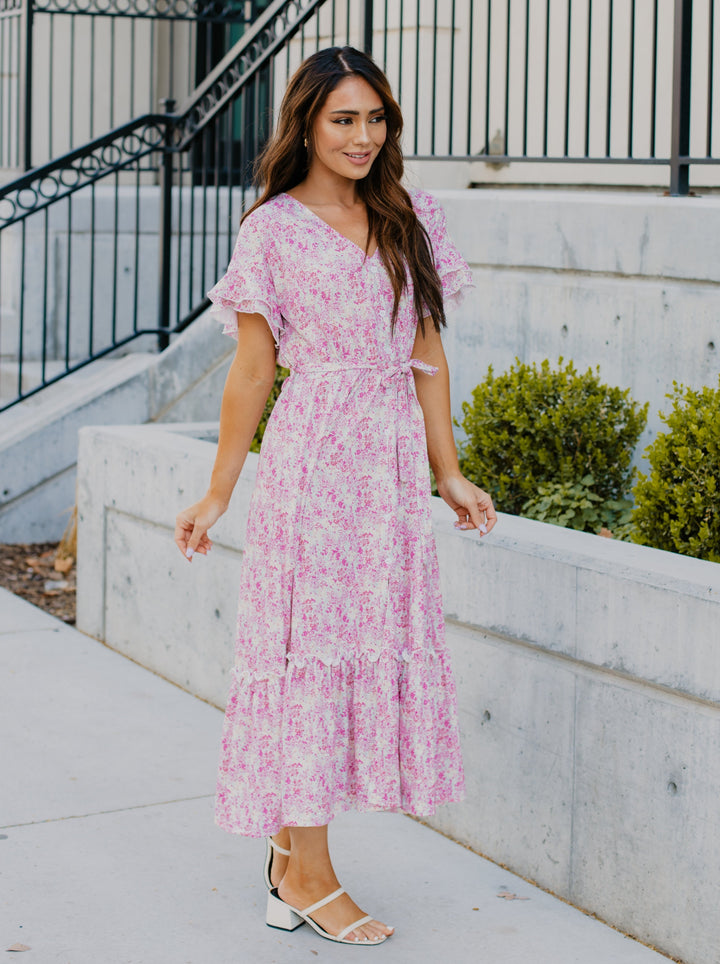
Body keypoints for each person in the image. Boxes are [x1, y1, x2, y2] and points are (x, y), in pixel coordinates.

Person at [174, 45, 497, 947]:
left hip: (388, 475)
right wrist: (217, 493)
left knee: (362, 651)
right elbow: (250, 373)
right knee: (307, 660)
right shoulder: (271, 230)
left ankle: (287, 862)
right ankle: (312, 876)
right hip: (313, 469)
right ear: (307, 124)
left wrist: (449, 471)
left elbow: (428, 355)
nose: (362, 136)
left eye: (375, 118)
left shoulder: (410, 217)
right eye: (343, 119)